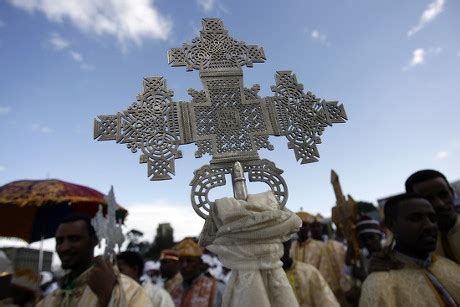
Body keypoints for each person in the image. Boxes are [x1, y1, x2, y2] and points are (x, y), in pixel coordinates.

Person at [359, 193, 460, 306]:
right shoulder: (378, 285)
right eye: (415, 219)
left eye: (432, 219)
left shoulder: (448, 264)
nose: (429, 226)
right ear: (391, 225)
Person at [37, 213, 152, 307]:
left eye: (74, 239)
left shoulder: (127, 291)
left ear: (94, 240)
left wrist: (106, 299)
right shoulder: (50, 299)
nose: (64, 247)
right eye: (59, 241)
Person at [405, 169, 459, 263]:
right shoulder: (410, 245)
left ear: (452, 193)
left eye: (443, 194)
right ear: (413, 203)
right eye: (428, 198)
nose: (440, 204)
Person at [292, 212, 346, 303]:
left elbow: (325, 271)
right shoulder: (291, 247)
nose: (301, 229)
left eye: (305, 225)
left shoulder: (319, 246)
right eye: (299, 226)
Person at [282, 238, 339, 307]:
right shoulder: (268, 279)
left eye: (283, 245)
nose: (278, 251)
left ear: (289, 244)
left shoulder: (310, 273)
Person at [170, 239, 224, 307]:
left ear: (200, 263)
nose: (184, 265)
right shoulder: (175, 291)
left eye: (189, 261)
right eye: (181, 261)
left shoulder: (217, 289)